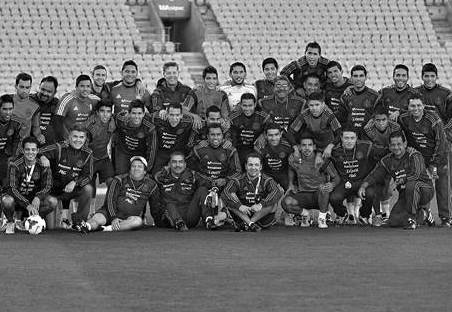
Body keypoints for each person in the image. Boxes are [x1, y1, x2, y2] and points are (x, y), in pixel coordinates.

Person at [358, 131, 434, 230]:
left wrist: (397, 183)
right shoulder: (387, 160)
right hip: (405, 195)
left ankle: (412, 219)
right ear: (389, 146)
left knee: (412, 185)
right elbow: (375, 175)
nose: (396, 147)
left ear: (405, 144)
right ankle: (424, 214)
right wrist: (363, 186)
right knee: (394, 221)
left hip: (424, 190)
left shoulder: (414, 155)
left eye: (399, 144)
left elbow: (416, 175)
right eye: (393, 145)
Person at [398, 96, 450, 226]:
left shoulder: (433, 119)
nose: (416, 109)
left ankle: (446, 217)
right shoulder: (403, 118)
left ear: (423, 106)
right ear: (408, 107)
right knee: (419, 185)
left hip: (438, 157)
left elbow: (441, 142)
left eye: (418, 106)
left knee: (442, 187)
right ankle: (425, 213)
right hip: (419, 159)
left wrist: (434, 164)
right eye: (413, 106)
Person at [82, 156, 161, 233]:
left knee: (137, 221)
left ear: (145, 171)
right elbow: (110, 200)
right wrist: (113, 217)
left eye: (140, 166)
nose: (136, 168)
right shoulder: (118, 180)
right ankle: (86, 226)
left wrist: (160, 222)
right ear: (130, 169)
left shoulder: (152, 185)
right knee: (97, 218)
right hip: (109, 214)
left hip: (128, 219)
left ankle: (105, 229)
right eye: (133, 166)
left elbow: (155, 206)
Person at [40, 125, 93, 230]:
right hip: (53, 191)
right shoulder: (59, 147)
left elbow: (88, 175)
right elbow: (38, 151)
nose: (78, 140)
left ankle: (79, 222)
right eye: (75, 136)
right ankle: (35, 216)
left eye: (81, 137)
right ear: (69, 137)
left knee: (88, 189)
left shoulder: (88, 153)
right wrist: (42, 156)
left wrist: (75, 182)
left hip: (72, 190)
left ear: (85, 138)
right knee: (51, 228)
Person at [188, 123, 242, 227]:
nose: (215, 137)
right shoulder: (199, 149)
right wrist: (208, 181)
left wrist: (225, 180)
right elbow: (190, 169)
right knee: (201, 191)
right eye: (212, 135)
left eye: (218, 134)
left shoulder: (230, 150)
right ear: (207, 137)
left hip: (223, 187)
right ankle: (210, 217)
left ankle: (224, 215)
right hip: (205, 187)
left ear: (223, 136)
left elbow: (238, 172)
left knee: (233, 188)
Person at [282, 134, 339, 228]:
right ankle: (305, 214)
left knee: (323, 188)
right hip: (303, 194)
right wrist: (291, 183)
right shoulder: (294, 158)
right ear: (299, 147)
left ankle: (322, 219)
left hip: (319, 195)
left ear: (314, 147)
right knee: (286, 203)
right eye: (304, 145)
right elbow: (291, 168)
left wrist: (332, 184)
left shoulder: (322, 160)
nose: (307, 148)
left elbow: (336, 177)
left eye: (309, 145)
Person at [1, 137, 57, 234]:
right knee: (7, 201)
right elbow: (12, 188)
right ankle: (10, 221)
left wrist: (38, 197)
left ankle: (28, 220)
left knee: (52, 201)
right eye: (27, 149)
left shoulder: (44, 165)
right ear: (22, 150)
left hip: (34, 200)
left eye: (33, 150)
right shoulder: (15, 164)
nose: (30, 152)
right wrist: (27, 204)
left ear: (38, 151)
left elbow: (48, 186)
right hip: (17, 198)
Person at [328, 126, 379, 225]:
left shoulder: (366, 146)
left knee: (370, 193)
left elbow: (381, 153)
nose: (349, 141)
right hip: (344, 183)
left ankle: (364, 215)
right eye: (346, 138)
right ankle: (342, 214)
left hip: (361, 182)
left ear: (356, 138)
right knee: (334, 198)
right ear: (341, 138)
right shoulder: (334, 151)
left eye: (352, 138)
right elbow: (324, 162)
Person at [222, 153, 283, 232]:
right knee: (230, 196)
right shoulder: (237, 179)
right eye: (250, 165)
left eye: (256, 165)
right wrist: (239, 206)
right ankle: (250, 224)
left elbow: (276, 192)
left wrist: (261, 204)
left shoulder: (267, 180)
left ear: (260, 167)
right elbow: (225, 192)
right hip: (242, 213)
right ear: (245, 166)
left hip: (261, 216)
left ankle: (250, 223)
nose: (253, 168)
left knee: (273, 201)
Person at [362, 105, 401, 224]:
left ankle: (387, 211)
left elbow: (398, 145)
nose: (381, 123)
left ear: (388, 119)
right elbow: (368, 148)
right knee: (374, 188)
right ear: (373, 120)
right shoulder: (368, 129)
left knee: (388, 189)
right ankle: (378, 215)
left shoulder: (396, 127)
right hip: (374, 160)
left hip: (391, 160)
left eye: (383, 120)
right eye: (378, 120)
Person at [155, 152, 208, 231]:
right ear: (169, 164)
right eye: (174, 162)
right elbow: (149, 185)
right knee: (169, 204)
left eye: (180, 162)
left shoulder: (192, 175)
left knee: (202, 190)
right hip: (169, 217)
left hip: (189, 216)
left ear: (185, 164)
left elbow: (208, 185)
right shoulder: (160, 177)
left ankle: (209, 220)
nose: (177, 165)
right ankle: (179, 223)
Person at [286, 92, 341, 161]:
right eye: (311, 105)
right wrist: (295, 149)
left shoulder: (328, 114)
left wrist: (330, 146)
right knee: (293, 158)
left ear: (323, 104)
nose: (314, 108)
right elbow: (290, 132)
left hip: (327, 144)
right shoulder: (305, 114)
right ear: (308, 105)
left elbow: (340, 133)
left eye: (317, 105)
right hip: (313, 145)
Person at [150, 103, 197, 174]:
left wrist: (195, 116)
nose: (174, 119)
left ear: (181, 115)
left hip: (178, 153)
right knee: (156, 173)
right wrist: (160, 111)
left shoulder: (188, 121)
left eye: (177, 115)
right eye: (171, 115)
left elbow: (202, 123)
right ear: (167, 114)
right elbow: (146, 116)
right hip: (162, 153)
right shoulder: (158, 119)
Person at [114, 99, 157, 175]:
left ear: (144, 114)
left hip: (139, 154)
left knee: (138, 177)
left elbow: (152, 149)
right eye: (134, 113)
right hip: (123, 152)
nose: (137, 117)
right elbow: (112, 118)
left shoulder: (149, 127)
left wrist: (147, 168)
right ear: (129, 113)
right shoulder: (120, 118)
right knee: (121, 176)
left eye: (139, 113)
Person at [230, 93, 271, 165]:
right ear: (240, 105)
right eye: (244, 106)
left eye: (250, 105)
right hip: (240, 149)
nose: (247, 109)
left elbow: (272, 128)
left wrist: (264, 135)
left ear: (255, 105)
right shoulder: (233, 117)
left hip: (257, 148)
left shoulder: (263, 116)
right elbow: (228, 133)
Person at [338, 65, 379, 137]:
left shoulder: (374, 96)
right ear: (351, 78)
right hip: (350, 137)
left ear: (366, 77)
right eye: (355, 76)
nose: (358, 79)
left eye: (361, 76)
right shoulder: (346, 96)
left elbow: (378, 117)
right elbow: (341, 118)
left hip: (368, 137)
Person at [85, 99, 116, 192]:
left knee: (112, 183)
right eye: (102, 111)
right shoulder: (90, 126)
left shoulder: (113, 122)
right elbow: (84, 146)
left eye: (108, 111)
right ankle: (91, 206)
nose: (105, 114)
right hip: (91, 159)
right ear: (97, 112)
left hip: (104, 158)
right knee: (90, 188)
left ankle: (109, 205)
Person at [54, 74, 97, 141]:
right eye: (82, 86)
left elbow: (106, 105)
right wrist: (66, 138)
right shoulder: (68, 99)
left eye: (88, 86)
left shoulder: (93, 99)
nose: (85, 89)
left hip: (82, 140)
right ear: (76, 87)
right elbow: (57, 120)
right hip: (67, 139)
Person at [254, 123, 292, 190]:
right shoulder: (260, 147)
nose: (274, 138)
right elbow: (258, 165)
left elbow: (291, 166)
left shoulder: (287, 146)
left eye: (276, 135)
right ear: (265, 135)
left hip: (283, 174)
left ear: (281, 134)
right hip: (267, 174)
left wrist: (290, 183)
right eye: (270, 135)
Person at [30, 76, 59, 146]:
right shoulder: (30, 100)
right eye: (43, 89)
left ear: (55, 92)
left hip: (49, 145)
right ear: (39, 87)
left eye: (49, 91)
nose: (45, 93)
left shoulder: (57, 104)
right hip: (30, 144)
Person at [10, 72, 40, 139]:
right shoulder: (6, 100)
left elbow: (36, 128)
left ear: (30, 87)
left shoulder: (35, 106)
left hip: (23, 145)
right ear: (16, 86)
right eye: (21, 87)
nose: (24, 90)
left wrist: (39, 136)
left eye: (27, 87)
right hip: (5, 144)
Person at [0, 94, 22, 187]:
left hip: (5, 155)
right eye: (4, 109)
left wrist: (13, 156)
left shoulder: (16, 123)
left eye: (10, 109)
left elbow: (16, 141)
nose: (8, 112)